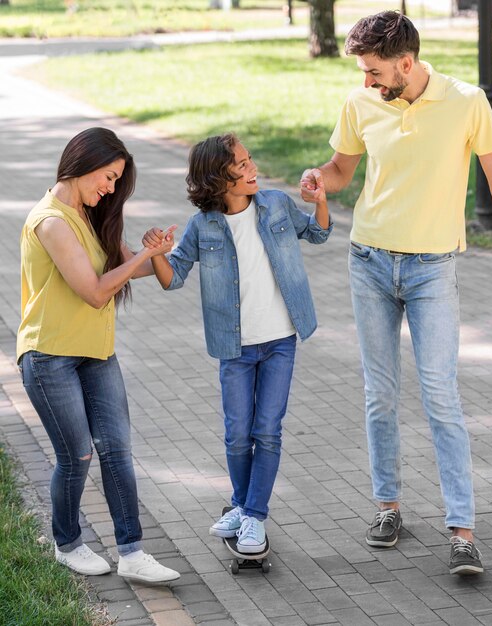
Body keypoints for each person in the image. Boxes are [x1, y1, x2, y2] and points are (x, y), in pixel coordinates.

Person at [301, 11, 492, 576]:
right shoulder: (359, 103)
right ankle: (387, 506)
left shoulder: (467, 101)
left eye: (372, 70)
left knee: (441, 395)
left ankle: (462, 530)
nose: (365, 80)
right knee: (379, 393)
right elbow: (342, 169)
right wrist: (320, 179)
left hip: (433, 268)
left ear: (405, 64)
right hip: (367, 260)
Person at [143, 133, 332, 552]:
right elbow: (172, 279)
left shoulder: (277, 205)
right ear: (218, 178)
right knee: (235, 434)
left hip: (281, 340)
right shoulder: (202, 226)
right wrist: (158, 252)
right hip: (235, 348)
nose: (253, 169)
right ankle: (244, 508)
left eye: (250, 161)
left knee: (266, 431)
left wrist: (319, 201)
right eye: (242, 165)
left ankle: (252, 516)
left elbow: (318, 235)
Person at [17, 127, 180, 582]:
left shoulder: (90, 215)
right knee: (78, 456)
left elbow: (137, 266)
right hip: (49, 357)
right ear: (83, 163)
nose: (109, 189)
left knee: (117, 449)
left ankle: (132, 553)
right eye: (107, 178)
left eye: (115, 182)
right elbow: (93, 291)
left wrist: (165, 251)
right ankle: (67, 542)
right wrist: (135, 260)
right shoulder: (50, 221)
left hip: (95, 353)